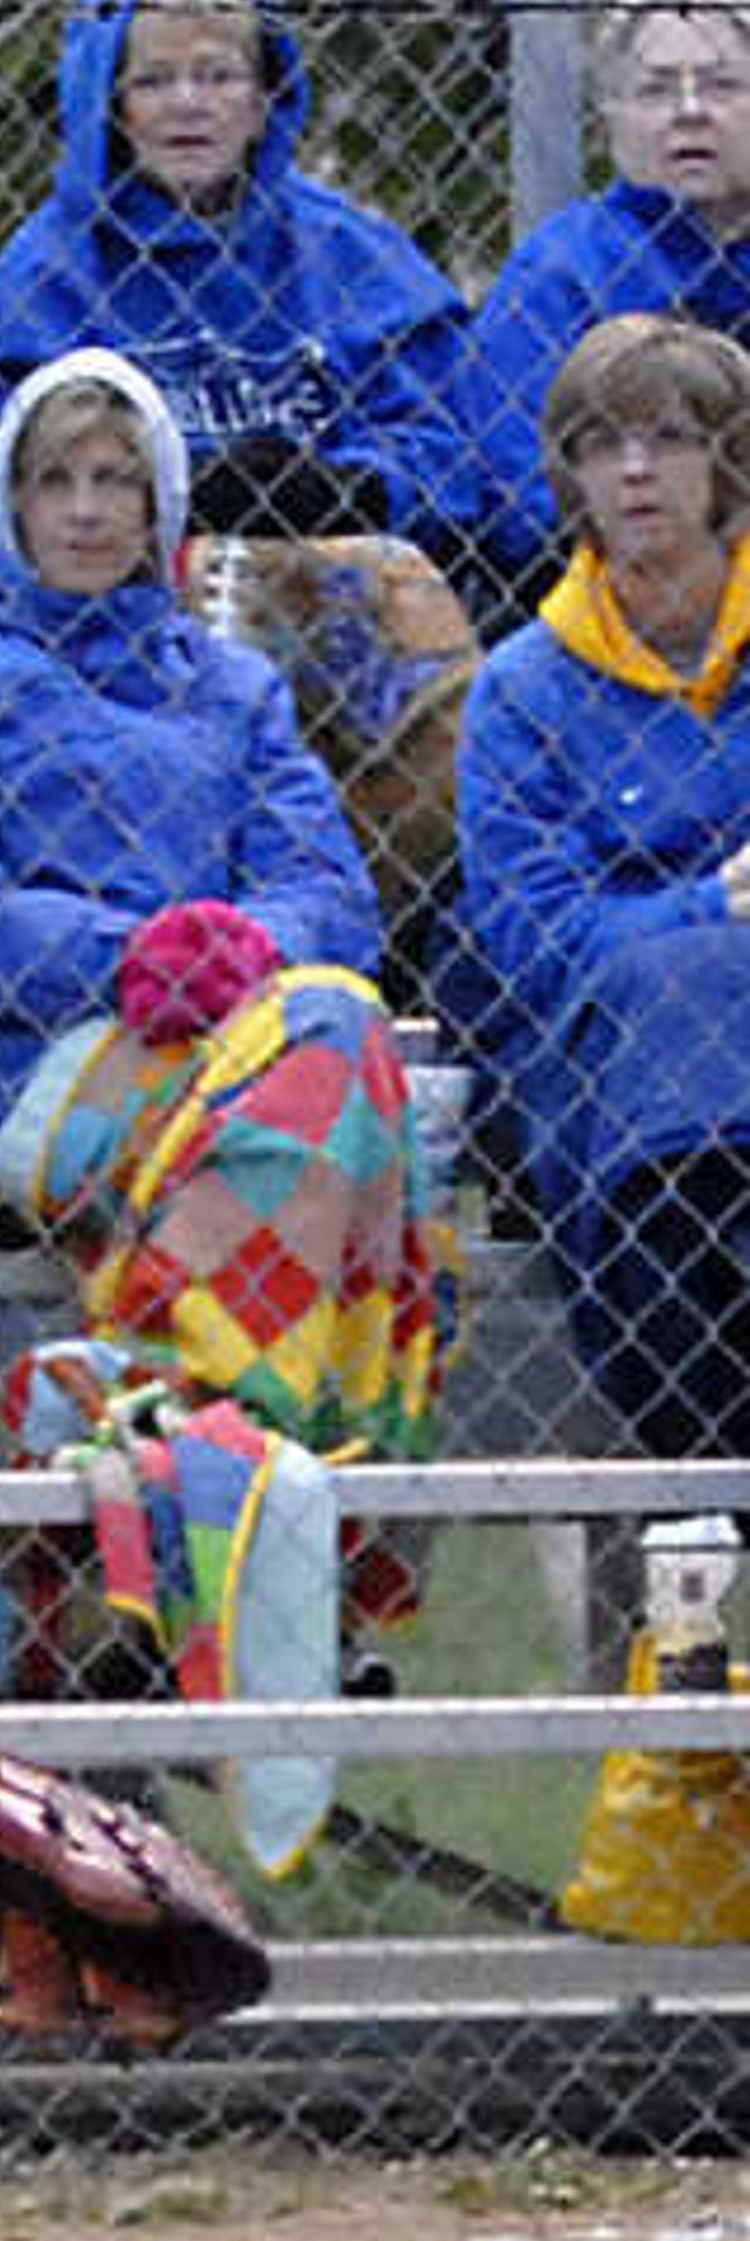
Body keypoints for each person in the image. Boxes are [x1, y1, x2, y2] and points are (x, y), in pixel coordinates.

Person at [0, 349, 446, 1465]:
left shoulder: (233, 685)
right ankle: (255, 1467)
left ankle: (183, 1434)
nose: (85, 510)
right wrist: (130, 956)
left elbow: (332, 892)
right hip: (33, 1061)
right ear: (9, 501)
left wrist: (242, 949)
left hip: (247, 1036)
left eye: (116, 480)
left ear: (159, 502)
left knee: (332, 1022)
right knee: (343, 1079)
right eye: (55, 480)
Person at [0, 0, 491, 935]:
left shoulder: (347, 254)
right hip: (116, 603)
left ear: (266, 95)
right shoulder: (50, 269)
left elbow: (454, 449)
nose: (188, 104)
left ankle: (397, 912)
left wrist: (348, 493)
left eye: (219, 75)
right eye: (154, 80)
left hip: (329, 588)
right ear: (109, 106)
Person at [454, 312, 750, 1443]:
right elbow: (535, 944)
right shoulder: (525, 689)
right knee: (685, 1001)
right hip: (611, 1076)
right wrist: (709, 910)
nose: (635, 470)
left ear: (726, 461)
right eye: (601, 444)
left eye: (670, 438)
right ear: (570, 474)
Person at [466, 0, 750, 586]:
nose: (690, 111)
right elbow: (521, 500)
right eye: (655, 90)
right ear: (613, 115)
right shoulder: (562, 271)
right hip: (614, 594)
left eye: (722, 84)